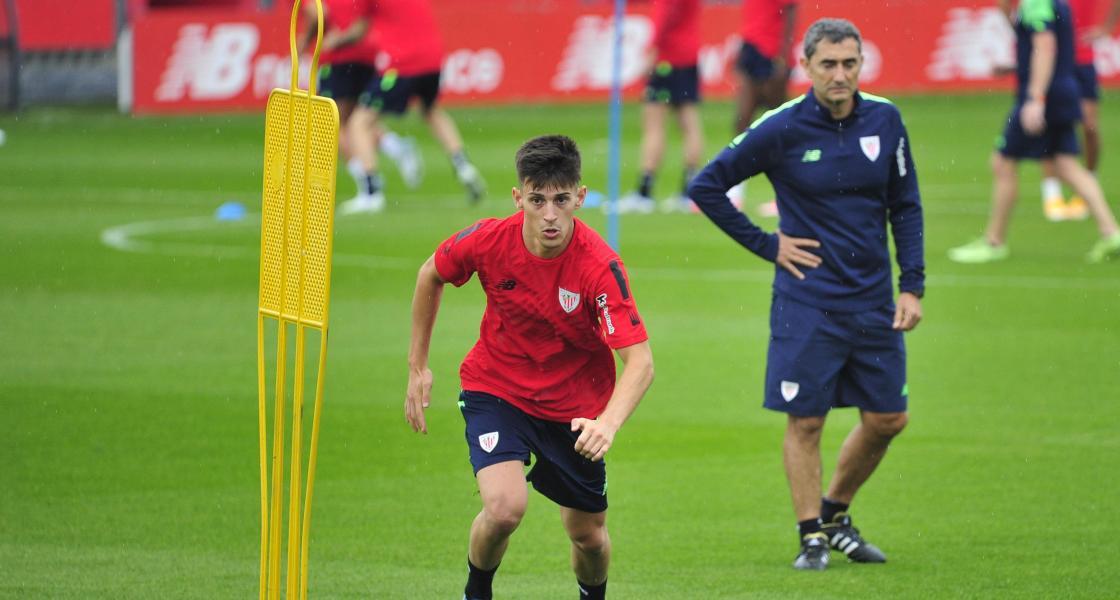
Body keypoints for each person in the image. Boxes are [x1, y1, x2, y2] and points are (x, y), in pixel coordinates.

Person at [687, 18, 924, 571]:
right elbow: (707, 185)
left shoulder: (886, 120)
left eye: (850, 64)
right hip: (806, 301)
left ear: (861, 64)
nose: (840, 75)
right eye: (828, 65)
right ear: (807, 67)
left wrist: (911, 285)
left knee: (888, 419)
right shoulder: (781, 127)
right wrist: (768, 245)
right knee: (807, 421)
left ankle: (835, 513)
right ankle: (810, 536)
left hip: (873, 300)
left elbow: (905, 205)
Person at [404, 135, 654, 599]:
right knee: (503, 509)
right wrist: (417, 366)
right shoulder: (488, 240)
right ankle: (476, 593)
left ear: (581, 196)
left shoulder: (600, 267)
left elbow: (640, 361)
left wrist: (608, 423)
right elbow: (430, 274)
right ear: (519, 198)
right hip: (497, 389)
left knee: (589, 537)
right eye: (537, 200)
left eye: (561, 200)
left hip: (575, 409)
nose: (550, 215)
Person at [949, 0, 1120, 263]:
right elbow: (1054, 50)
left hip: (1044, 97)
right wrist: (1015, 68)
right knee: (1067, 165)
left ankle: (994, 241)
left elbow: (1045, 46)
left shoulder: (1036, 3)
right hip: (1063, 91)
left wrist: (1035, 98)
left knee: (1003, 162)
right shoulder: (1057, 4)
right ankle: (1112, 233)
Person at [339, 0, 486, 215]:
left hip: (402, 61)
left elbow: (358, 31)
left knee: (359, 122)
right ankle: (463, 165)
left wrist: (331, 43)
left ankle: (371, 192)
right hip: (433, 58)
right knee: (430, 110)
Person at [297, 0, 424, 200]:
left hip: (339, 56)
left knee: (332, 125)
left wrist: (304, 42)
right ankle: (395, 146)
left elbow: (316, 14)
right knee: (357, 121)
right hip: (365, 54)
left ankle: (368, 183)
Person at [1035, 0, 1120, 221]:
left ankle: (1088, 184)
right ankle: (1052, 194)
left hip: (1082, 59)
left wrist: (1108, 27)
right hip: (1052, 60)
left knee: (1089, 126)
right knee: (1048, 124)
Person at [617, 0, 705, 215]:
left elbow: (664, 18)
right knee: (688, 122)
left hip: (668, 56)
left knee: (653, 123)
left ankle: (644, 192)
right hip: (688, 54)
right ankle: (689, 190)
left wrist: (650, 53)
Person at [729, 0, 798, 213]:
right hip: (752, 45)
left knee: (781, 127)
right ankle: (735, 191)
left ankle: (790, 196)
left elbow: (791, 11)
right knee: (742, 122)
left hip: (771, 52)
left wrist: (782, 57)